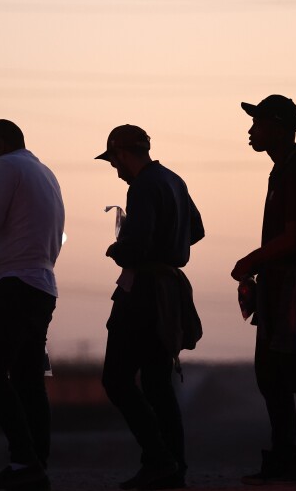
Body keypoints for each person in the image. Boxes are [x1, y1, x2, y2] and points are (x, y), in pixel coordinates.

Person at [96, 124, 204, 490]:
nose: (116, 169)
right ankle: (175, 468)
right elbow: (197, 230)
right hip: (169, 293)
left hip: (142, 292)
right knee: (159, 384)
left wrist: (117, 249)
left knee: (117, 380)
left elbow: (136, 247)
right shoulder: (174, 180)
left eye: (114, 161)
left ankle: (157, 459)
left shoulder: (141, 186)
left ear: (123, 153)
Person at [231, 95, 296, 485]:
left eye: (257, 122)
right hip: (281, 284)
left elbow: (294, 238)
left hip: (294, 286)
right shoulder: (284, 170)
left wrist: (250, 262)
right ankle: (289, 458)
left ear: (276, 125)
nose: (251, 130)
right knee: (274, 375)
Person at [0, 119, 65, 491]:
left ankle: (24, 460)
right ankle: (35, 464)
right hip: (43, 284)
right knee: (28, 379)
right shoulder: (45, 172)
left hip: (14, 283)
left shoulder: (6, 166)